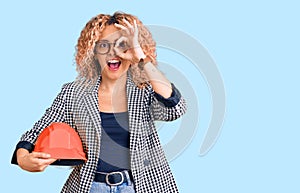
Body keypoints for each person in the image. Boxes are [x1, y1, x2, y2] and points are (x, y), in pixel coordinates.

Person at [11, 11, 187, 193]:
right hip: (90, 186)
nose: (113, 52)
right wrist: (23, 158)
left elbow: (175, 109)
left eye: (122, 45)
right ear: (94, 51)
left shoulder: (146, 89)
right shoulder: (74, 93)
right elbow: (37, 132)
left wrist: (141, 58)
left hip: (142, 186)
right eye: (104, 45)